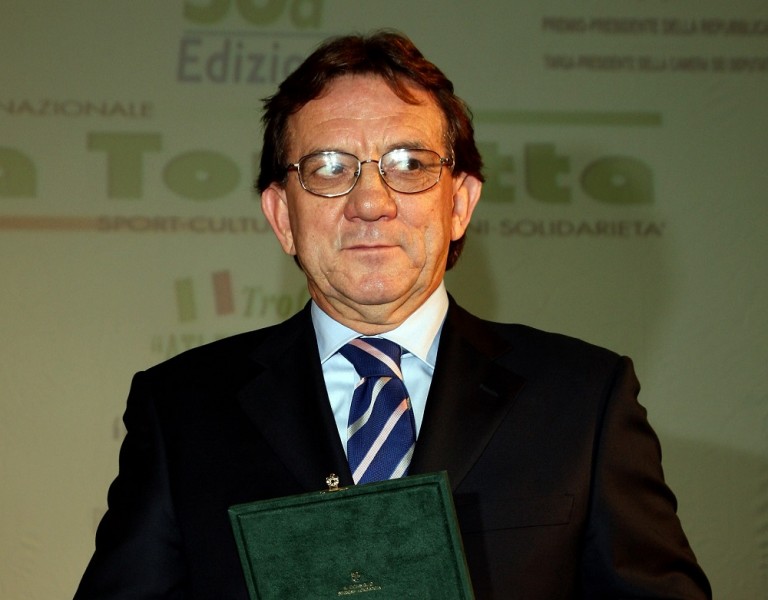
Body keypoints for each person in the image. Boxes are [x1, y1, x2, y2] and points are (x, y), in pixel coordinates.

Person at [74, 31, 711, 599]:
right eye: (329, 168)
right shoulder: (181, 408)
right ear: (282, 215)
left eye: (409, 165)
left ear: (459, 204)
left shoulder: (584, 399)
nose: (371, 202)